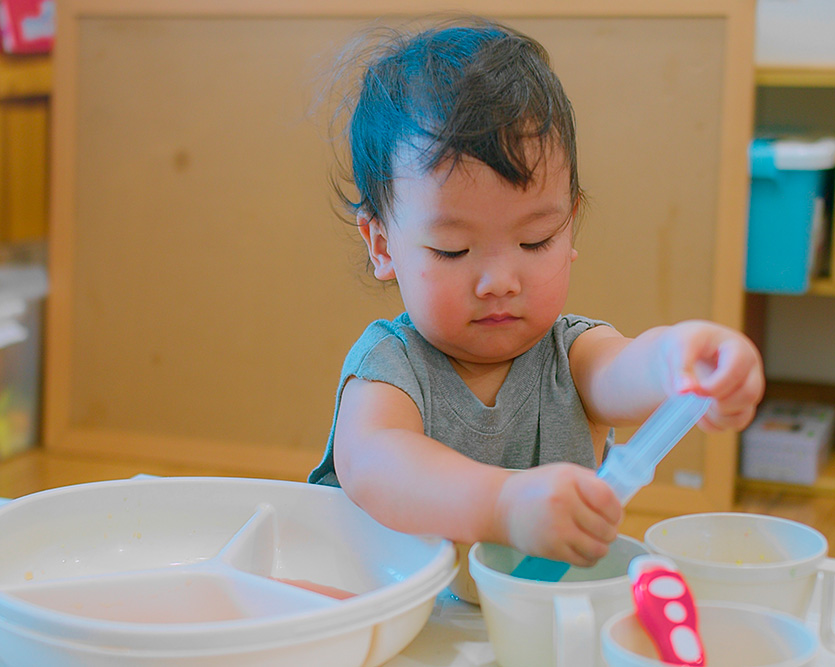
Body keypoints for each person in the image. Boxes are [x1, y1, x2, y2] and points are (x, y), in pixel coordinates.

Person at [309, 17, 764, 568]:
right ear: (381, 245)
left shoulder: (572, 357)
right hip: (404, 626)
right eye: (453, 250)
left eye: (535, 240)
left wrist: (684, 361)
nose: (501, 280)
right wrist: (505, 504)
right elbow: (376, 464)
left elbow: (628, 369)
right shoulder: (390, 368)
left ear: (569, 227)